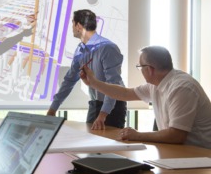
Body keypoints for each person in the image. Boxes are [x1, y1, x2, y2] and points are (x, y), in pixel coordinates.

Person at [80, 45, 211, 149]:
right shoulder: (156, 84)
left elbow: (176, 135)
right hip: (182, 153)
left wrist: (137, 135)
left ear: (150, 69)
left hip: (200, 156)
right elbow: (125, 93)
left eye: (140, 67)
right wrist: (94, 83)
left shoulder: (182, 88)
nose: (140, 70)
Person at [47, 9, 127, 130]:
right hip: (95, 104)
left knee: (107, 146)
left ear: (78, 26)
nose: (71, 27)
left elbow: (113, 84)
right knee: (91, 145)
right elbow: (69, 80)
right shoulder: (80, 50)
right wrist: (52, 110)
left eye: (72, 23)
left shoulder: (107, 48)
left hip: (113, 106)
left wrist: (102, 115)